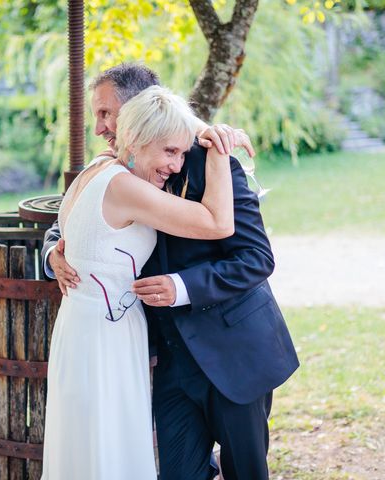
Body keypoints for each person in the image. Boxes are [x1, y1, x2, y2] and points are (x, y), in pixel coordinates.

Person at [44, 64, 300, 480]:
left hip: (231, 351)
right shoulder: (111, 168)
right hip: (169, 358)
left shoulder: (214, 164)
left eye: (107, 114)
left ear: (138, 113)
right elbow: (72, 219)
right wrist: (53, 253)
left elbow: (256, 257)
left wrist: (182, 287)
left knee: (245, 471)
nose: (101, 127)